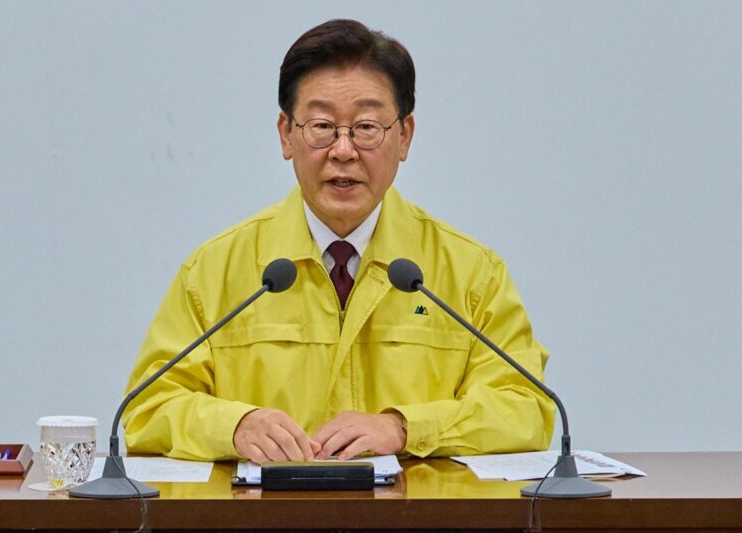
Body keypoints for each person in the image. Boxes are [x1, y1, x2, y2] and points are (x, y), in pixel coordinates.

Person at [122, 19, 555, 464]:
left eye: (366, 127)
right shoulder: (215, 271)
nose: (343, 150)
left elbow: (526, 407)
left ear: (404, 137)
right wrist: (234, 427)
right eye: (322, 125)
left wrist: (405, 427)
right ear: (286, 134)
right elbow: (147, 408)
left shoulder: (471, 273)